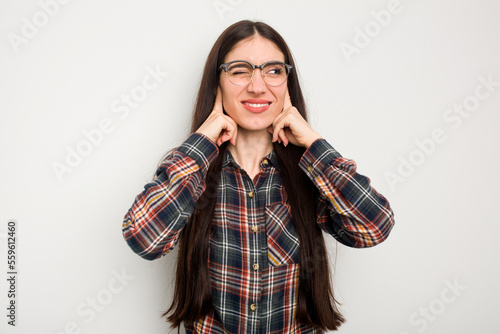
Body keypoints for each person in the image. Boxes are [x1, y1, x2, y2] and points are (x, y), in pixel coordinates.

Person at [122, 20, 395, 334]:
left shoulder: (311, 171)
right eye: (240, 70)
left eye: (273, 70)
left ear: (287, 84)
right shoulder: (190, 169)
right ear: (218, 83)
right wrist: (202, 142)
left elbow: (373, 228)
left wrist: (314, 143)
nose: (257, 85)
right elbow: (145, 240)